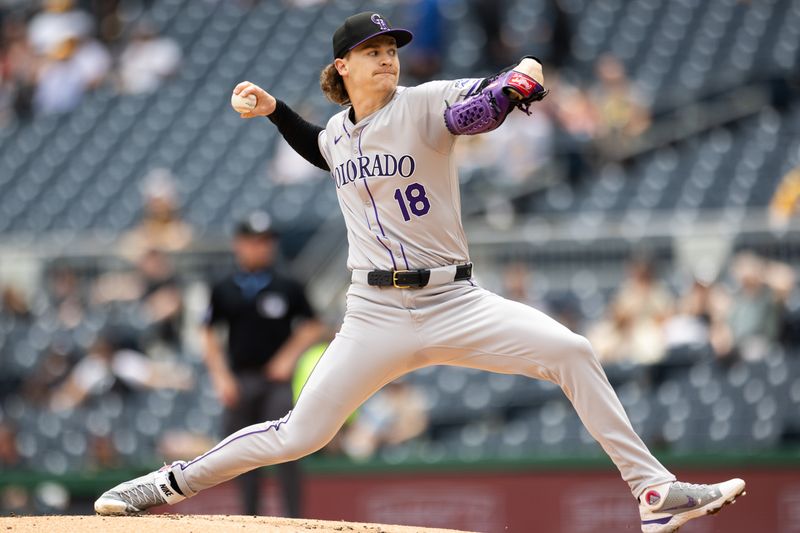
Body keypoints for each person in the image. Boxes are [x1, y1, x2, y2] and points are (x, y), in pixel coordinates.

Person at [94, 12, 744, 533]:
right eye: (372, 50)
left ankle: (654, 490)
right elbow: (320, 146)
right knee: (299, 433)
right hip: (374, 315)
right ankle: (168, 483)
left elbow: (472, 112)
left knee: (572, 351)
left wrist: (512, 88)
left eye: (392, 48)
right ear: (343, 67)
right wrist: (274, 111)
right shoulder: (339, 136)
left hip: (456, 301)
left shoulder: (424, 102)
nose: (387, 56)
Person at [199, 212, 323, 517]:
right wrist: (220, 377)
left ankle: (295, 520)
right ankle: (249, 520)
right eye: (254, 241)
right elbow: (208, 330)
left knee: (287, 447)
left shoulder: (287, 284)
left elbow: (313, 325)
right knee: (241, 455)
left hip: (277, 383)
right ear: (239, 244)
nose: (261, 248)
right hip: (240, 380)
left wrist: (287, 357)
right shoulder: (224, 287)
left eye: (266, 241)